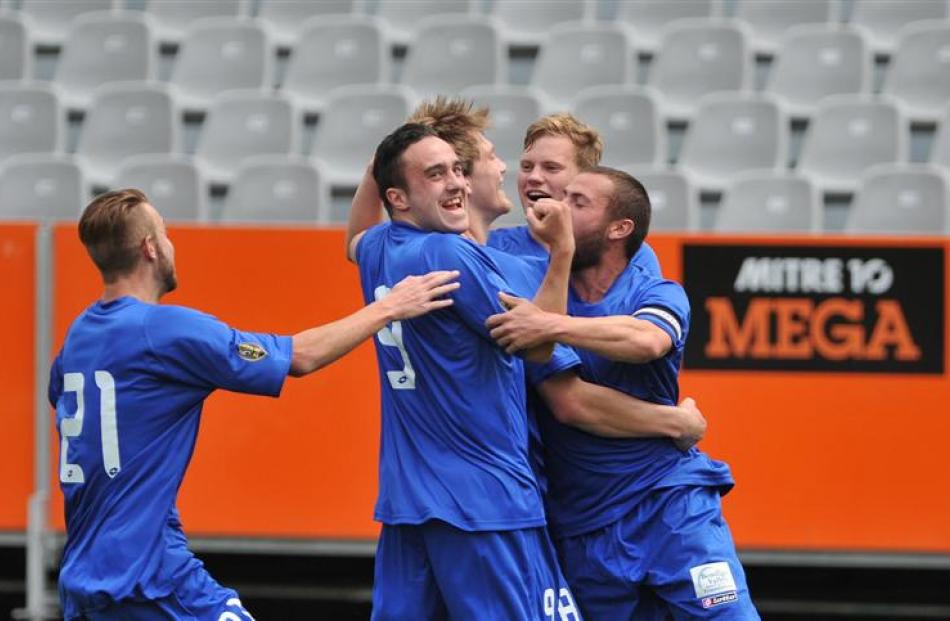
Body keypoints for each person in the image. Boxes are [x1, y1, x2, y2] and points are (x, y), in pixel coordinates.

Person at [49, 189, 460, 621]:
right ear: (150, 248)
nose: (171, 244)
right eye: (165, 234)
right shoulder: (165, 330)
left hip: (86, 576)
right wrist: (390, 305)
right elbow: (299, 357)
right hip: (146, 577)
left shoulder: (78, 337)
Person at [346, 97, 706, 450]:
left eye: (551, 168)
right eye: (523, 164)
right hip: (512, 470)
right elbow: (565, 395)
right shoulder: (491, 260)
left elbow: (357, 243)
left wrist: (384, 163)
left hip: (618, 469)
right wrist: (676, 422)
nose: (520, 174)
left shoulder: (632, 255)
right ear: (462, 179)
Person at [486, 167, 761, 620]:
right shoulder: (542, 291)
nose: (558, 208)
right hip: (582, 526)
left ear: (620, 229)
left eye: (578, 202)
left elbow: (646, 342)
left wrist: (549, 325)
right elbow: (569, 403)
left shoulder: (656, 291)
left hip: (669, 504)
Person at [350, 123, 582, 620]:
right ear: (400, 196)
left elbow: (355, 236)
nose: (457, 182)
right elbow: (539, 347)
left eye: (458, 168)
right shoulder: (451, 253)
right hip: (485, 503)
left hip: (408, 505)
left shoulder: (377, 250)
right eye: (436, 174)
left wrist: (380, 161)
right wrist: (563, 251)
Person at [488, 112, 662, 278]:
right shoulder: (490, 247)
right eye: (526, 167)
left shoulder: (628, 254)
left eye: (551, 168)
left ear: (585, 177)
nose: (533, 177)